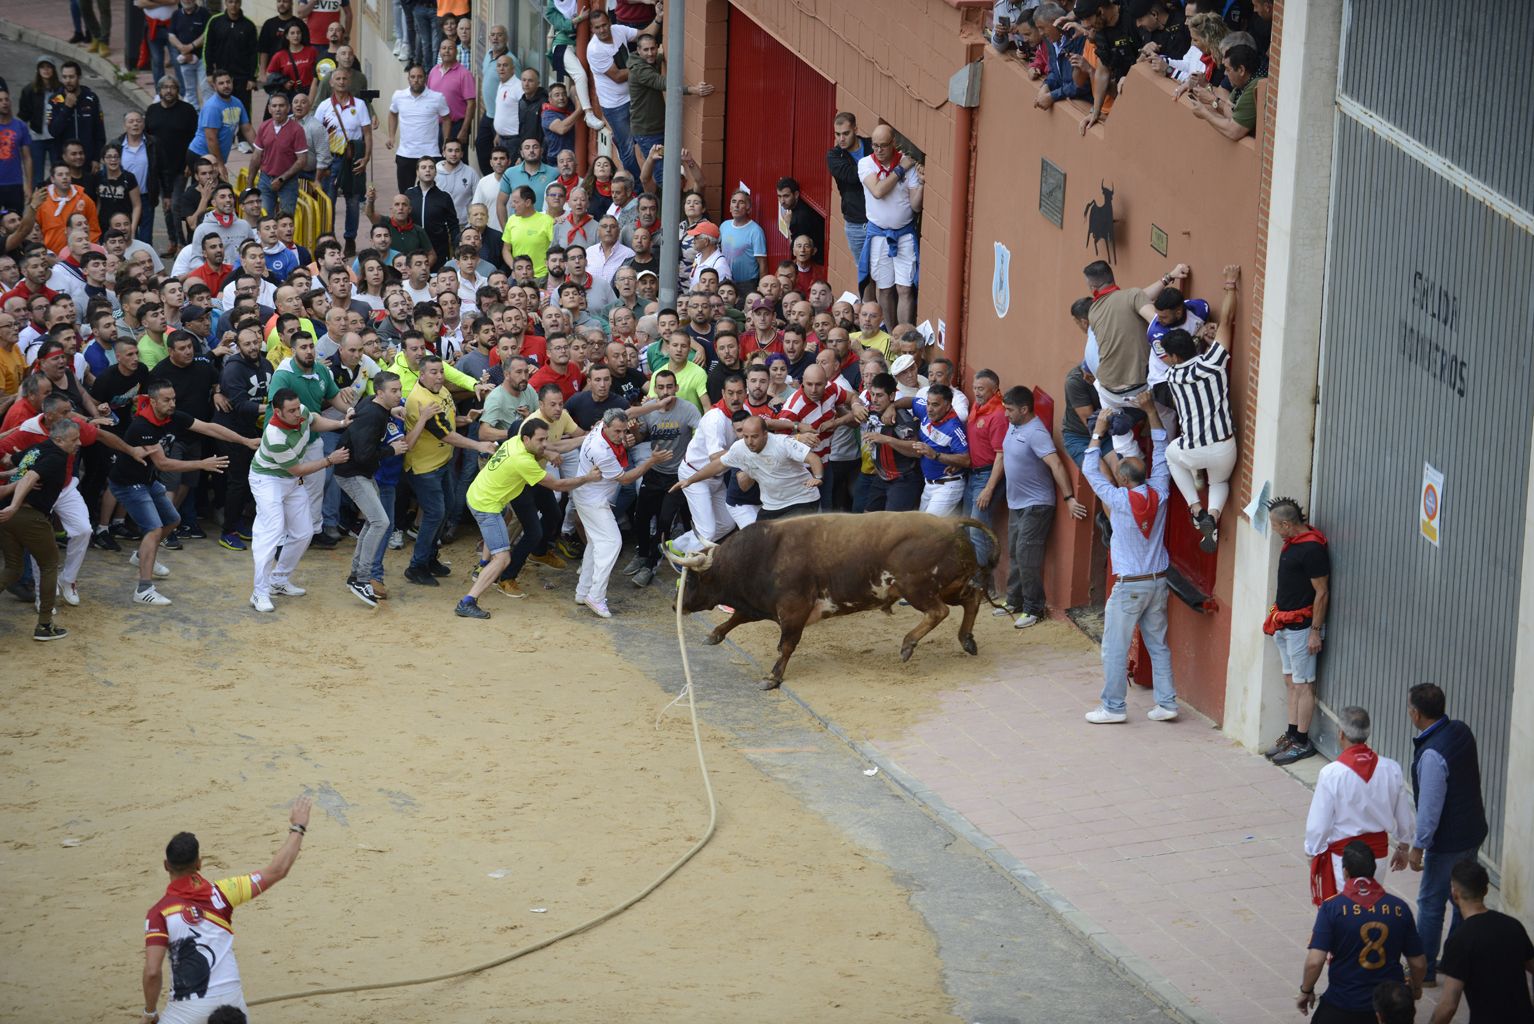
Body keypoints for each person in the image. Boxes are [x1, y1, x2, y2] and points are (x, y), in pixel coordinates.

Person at [141, 796, 313, 1023]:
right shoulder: (224, 893)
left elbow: (153, 972)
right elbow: (277, 870)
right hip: (230, 1003)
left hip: (186, 1011)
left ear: (166, 866)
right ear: (199, 863)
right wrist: (298, 826)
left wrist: (150, 1012)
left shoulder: (159, 912)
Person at [1082, 392, 1178, 723]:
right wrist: (1151, 411)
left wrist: (1099, 431)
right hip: (1158, 581)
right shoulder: (1160, 492)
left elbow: (1089, 467)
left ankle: (1113, 707)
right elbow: (1163, 451)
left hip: (1129, 586)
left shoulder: (1118, 499)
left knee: (1114, 648)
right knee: (1159, 645)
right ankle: (1166, 703)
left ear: (1123, 480)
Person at [109, 379, 245, 606]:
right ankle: (143, 589)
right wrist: (202, 464)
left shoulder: (172, 416)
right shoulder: (142, 426)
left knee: (172, 520)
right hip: (128, 483)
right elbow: (164, 464)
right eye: (166, 400)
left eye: (173, 399)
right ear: (152, 402)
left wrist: (245, 440)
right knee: (153, 529)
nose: (172, 403)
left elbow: (208, 427)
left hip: (147, 480)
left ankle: (141, 555)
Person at [457, 417, 597, 616]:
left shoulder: (514, 442)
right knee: (503, 559)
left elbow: (550, 449)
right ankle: (467, 601)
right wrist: (588, 478)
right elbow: (557, 485)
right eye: (540, 440)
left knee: (505, 517)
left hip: (482, 496)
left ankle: (482, 565)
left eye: (545, 439)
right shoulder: (523, 461)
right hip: (485, 505)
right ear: (526, 439)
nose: (545, 444)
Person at [1403, 682, 1491, 986]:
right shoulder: (1461, 731)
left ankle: (1424, 970)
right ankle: (1455, 964)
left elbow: (1430, 808)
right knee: (1462, 900)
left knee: (1430, 903)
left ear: (1416, 714)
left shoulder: (1431, 755)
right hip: (1473, 831)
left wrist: (1418, 847)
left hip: (1448, 841)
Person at [1298, 841, 1426, 1024]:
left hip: (1343, 1004)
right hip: (1387, 1007)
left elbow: (1314, 962)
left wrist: (1306, 990)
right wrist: (1417, 988)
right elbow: (1419, 964)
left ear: (1345, 872)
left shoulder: (1331, 908)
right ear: (1373, 870)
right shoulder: (1399, 907)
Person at [247, 386, 350, 612]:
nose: (297, 414)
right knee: (271, 532)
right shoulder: (275, 435)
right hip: (268, 480)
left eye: (297, 408)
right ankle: (259, 592)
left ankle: (279, 580)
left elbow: (314, 421)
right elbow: (297, 469)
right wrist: (329, 460)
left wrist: (342, 424)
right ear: (277, 411)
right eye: (291, 411)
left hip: (290, 480)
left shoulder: (301, 410)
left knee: (304, 532)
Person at [1159, 264, 1240, 552]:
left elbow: (1183, 356)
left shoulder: (1171, 376)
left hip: (1192, 450)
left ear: (1174, 356)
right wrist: (1230, 284)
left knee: (1171, 454)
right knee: (1220, 481)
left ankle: (1197, 510)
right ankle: (1213, 516)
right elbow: (1228, 320)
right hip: (1224, 446)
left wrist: (1196, 339)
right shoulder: (1214, 362)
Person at [991, 385, 1085, 628]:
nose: (1006, 414)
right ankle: (1014, 601)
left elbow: (1056, 465)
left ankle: (1034, 608)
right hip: (1017, 503)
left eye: (1010, 410)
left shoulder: (1036, 432)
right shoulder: (1014, 425)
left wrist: (1069, 498)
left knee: (1026, 554)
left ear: (1024, 409)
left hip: (1037, 505)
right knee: (1014, 550)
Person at [1303, 706, 1415, 905]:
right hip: (1378, 857)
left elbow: (1318, 825)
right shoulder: (1391, 769)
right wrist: (1403, 846)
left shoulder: (1331, 774)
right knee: (1372, 905)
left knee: (1345, 911)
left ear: (1341, 734)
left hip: (1344, 859)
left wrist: (1312, 852)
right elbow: (1404, 817)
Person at [402, 353, 496, 586]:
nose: (439, 376)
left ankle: (430, 559)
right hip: (424, 467)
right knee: (434, 514)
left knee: (443, 511)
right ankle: (416, 566)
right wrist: (478, 444)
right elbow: (444, 434)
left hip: (441, 462)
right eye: (433, 372)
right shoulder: (421, 400)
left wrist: (467, 419)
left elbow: (448, 422)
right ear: (422, 375)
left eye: (441, 371)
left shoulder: (442, 391)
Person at [572, 408, 667, 617]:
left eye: (624, 431)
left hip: (587, 496)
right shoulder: (602, 450)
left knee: (596, 543)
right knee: (612, 542)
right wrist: (651, 461)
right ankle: (595, 597)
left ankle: (583, 591)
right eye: (617, 431)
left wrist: (655, 403)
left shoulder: (600, 428)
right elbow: (625, 479)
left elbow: (631, 411)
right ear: (604, 426)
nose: (622, 436)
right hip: (593, 501)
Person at [1262, 496, 1331, 765]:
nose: (1274, 529)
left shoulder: (1312, 549)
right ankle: (1291, 734)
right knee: (1291, 682)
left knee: (1304, 686)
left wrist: (1315, 630)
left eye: (1275, 525)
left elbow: (1322, 592)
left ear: (1288, 524)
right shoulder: (1292, 544)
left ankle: (1302, 742)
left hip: (1302, 629)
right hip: (1285, 625)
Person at [0, 416, 78, 641]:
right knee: (49, 565)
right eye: (74, 440)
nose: (79, 443)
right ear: (59, 439)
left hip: (7, 517)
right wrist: (15, 505)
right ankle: (45, 625)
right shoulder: (56, 456)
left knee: (13, 568)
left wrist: (7, 479)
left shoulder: (36, 448)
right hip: (28, 516)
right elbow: (30, 476)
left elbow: (12, 464)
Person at [1428, 859, 1534, 1024]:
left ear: (1455, 894)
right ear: (1485, 890)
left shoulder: (1459, 940)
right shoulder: (1513, 925)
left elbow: (1448, 1006)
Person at [679, 413, 822, 520]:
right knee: (758, 543)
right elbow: (718, 465)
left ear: (765, 434)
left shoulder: (783, 443)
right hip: (772, 505)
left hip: (802, 500)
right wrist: (690, 480)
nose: (749, 441)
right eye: (745, 436)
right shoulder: (739, 448)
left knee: (790, 541)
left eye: (754, 436)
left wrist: (817, 477)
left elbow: (813, 458)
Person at [857, 125, 923, 328]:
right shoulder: (866, 164)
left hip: (904, 235)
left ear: (893, 142)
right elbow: (878, 191)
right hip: (878, 236)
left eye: (883, 145)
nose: (878, 150)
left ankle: (904, 336)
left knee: (905, 289)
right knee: (884, 289)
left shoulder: (907, 163)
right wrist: (900, 169)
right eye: (875, 145)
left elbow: (916, 206)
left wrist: (922, 184)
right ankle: (891, 333)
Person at [386, 64, 450, 194]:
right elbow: (393, 113)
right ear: (408, 79)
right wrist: (391, 136)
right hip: (405, 154)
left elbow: (447, 118)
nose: (416, 80)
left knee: (431, 194)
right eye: (413, 77)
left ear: (425, 78)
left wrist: (446, 142)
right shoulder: (399, 96)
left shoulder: (437, 98)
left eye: (420, 77)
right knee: (405, 195)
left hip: (430, 153)